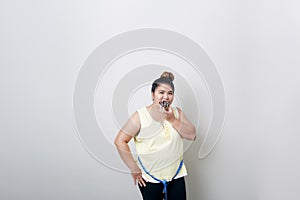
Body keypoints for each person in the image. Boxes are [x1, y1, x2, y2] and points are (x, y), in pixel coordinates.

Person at [114, 71, 196, 200]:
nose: (166, 97)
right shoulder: (140, 116)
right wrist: (133, 168)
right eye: (161, 93)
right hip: (150, 179)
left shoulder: (177, 113)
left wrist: (172, 119)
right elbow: (120, 141)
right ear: (153, 95)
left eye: (170, 93)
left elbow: (192, 135)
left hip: (176, 176)